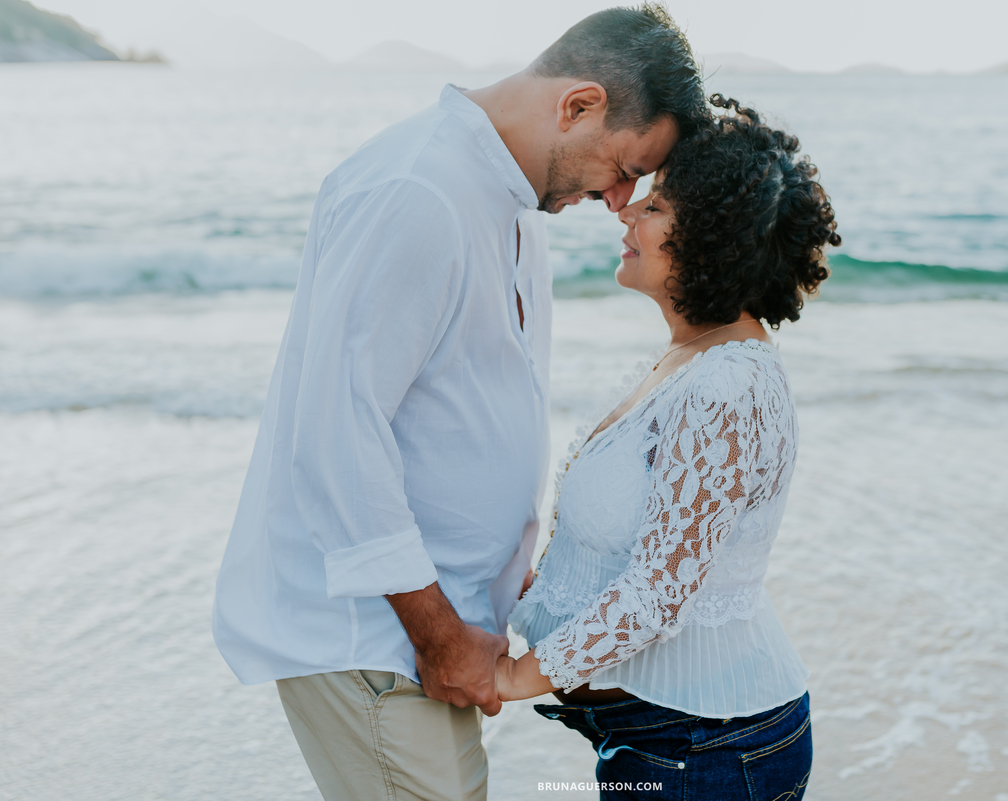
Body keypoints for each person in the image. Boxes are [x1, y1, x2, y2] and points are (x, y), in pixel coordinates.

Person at [211, 6, 707, 800]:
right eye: (624, 167)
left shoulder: (509, 203)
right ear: (578, 105)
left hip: (430, 636)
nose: (621, 199)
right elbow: (336, 433)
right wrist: (439, 635)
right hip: (378, 637)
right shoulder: (418, 192)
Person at [498, 96, 841, 800]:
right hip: (675, 742)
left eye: (654, 207)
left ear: (713, 236)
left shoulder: (728, 383)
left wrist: (508, 678)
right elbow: (631, 551)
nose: (625, 213)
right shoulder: (689, 361)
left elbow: (658, 594)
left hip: (706, 751)